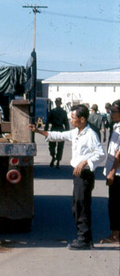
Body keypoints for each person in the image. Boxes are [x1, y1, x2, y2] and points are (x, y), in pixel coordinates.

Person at [28, 104, 105, 250]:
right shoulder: (77, 132)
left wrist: (85, 163)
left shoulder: (90, 135)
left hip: (85, 175)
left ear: (82, 119)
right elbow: (59, 135)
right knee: (77, 206)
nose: (71, 121)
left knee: (81, 206)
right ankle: (85, 238)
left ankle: (84, 239)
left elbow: (100, 154)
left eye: (73, 118)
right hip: (77, 175)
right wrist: (38, 131)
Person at [100, 99, 120, 244]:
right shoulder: (116, 126)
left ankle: (115, 235)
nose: (111, 113)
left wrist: (112, 172)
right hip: (116, 171)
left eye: (113, 111)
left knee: (115, 205)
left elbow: (119, 153)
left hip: (118, 173)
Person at [45, 97, 70, 168]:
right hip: (61, 129)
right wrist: (67, 133)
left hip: (54, 129)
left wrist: (45, 131)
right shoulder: (64, 112)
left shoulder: (52, 112)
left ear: (55, 103)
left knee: (51, 145)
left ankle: (53, 156)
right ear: (60, 103)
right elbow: (66, 124)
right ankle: (58, 161)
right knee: (60, 147)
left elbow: (47, 122)